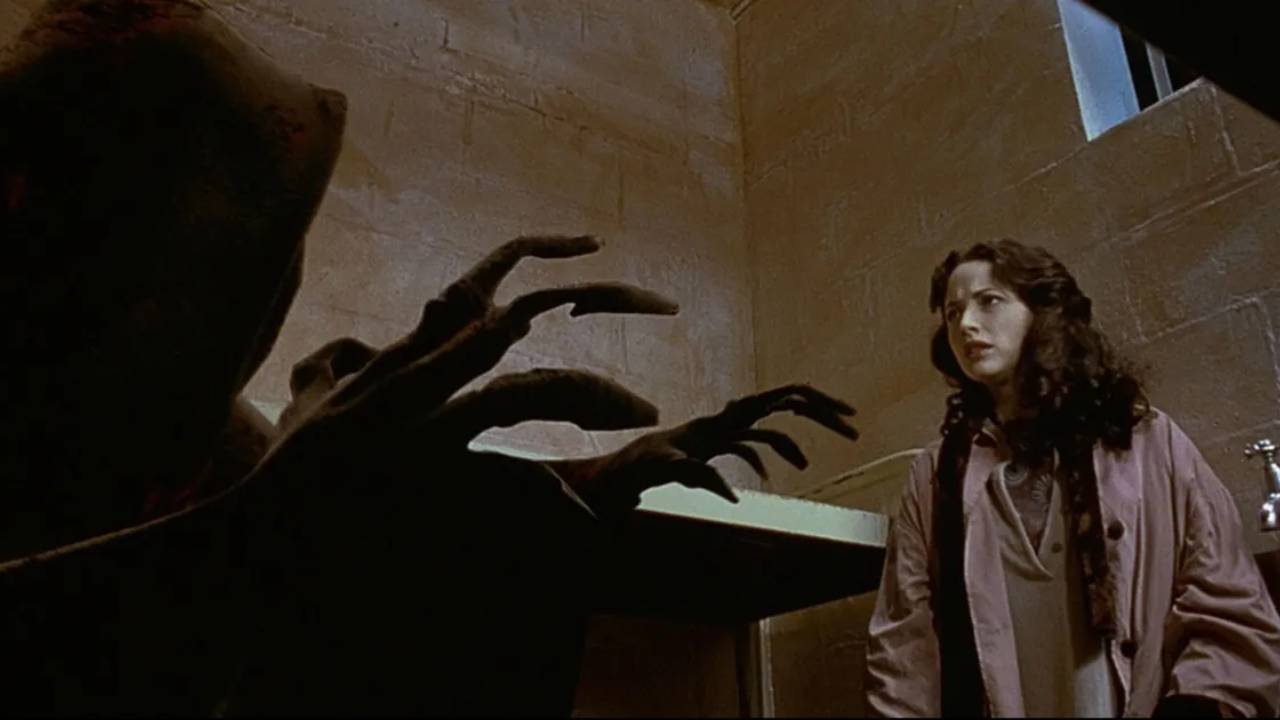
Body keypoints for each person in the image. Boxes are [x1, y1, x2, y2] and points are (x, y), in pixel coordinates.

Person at [865, 239, 1280, 717]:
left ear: (1042, 312)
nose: (966, 325)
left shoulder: (1144, 441)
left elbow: (1226, 598)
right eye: (953, 312)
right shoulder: (936, 476)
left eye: (989, 301)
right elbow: (903, 646)